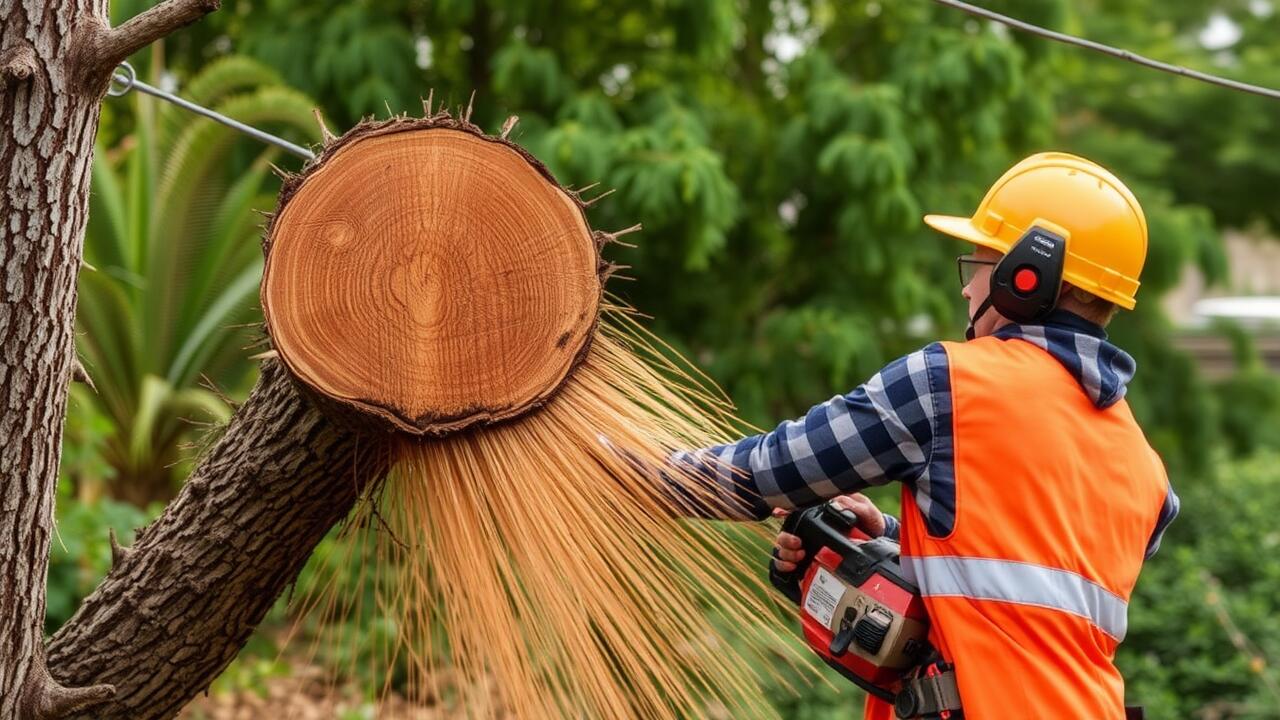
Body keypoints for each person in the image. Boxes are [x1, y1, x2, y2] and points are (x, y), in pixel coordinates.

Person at [667, 152, 1179, 719]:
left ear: (1027, 276)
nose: (966, 290)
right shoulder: (1146, 469)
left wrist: (629, 471)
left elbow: (765, 474)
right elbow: (1033, 584)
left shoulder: (948, 385)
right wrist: (891, 535)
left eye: (978, 263)